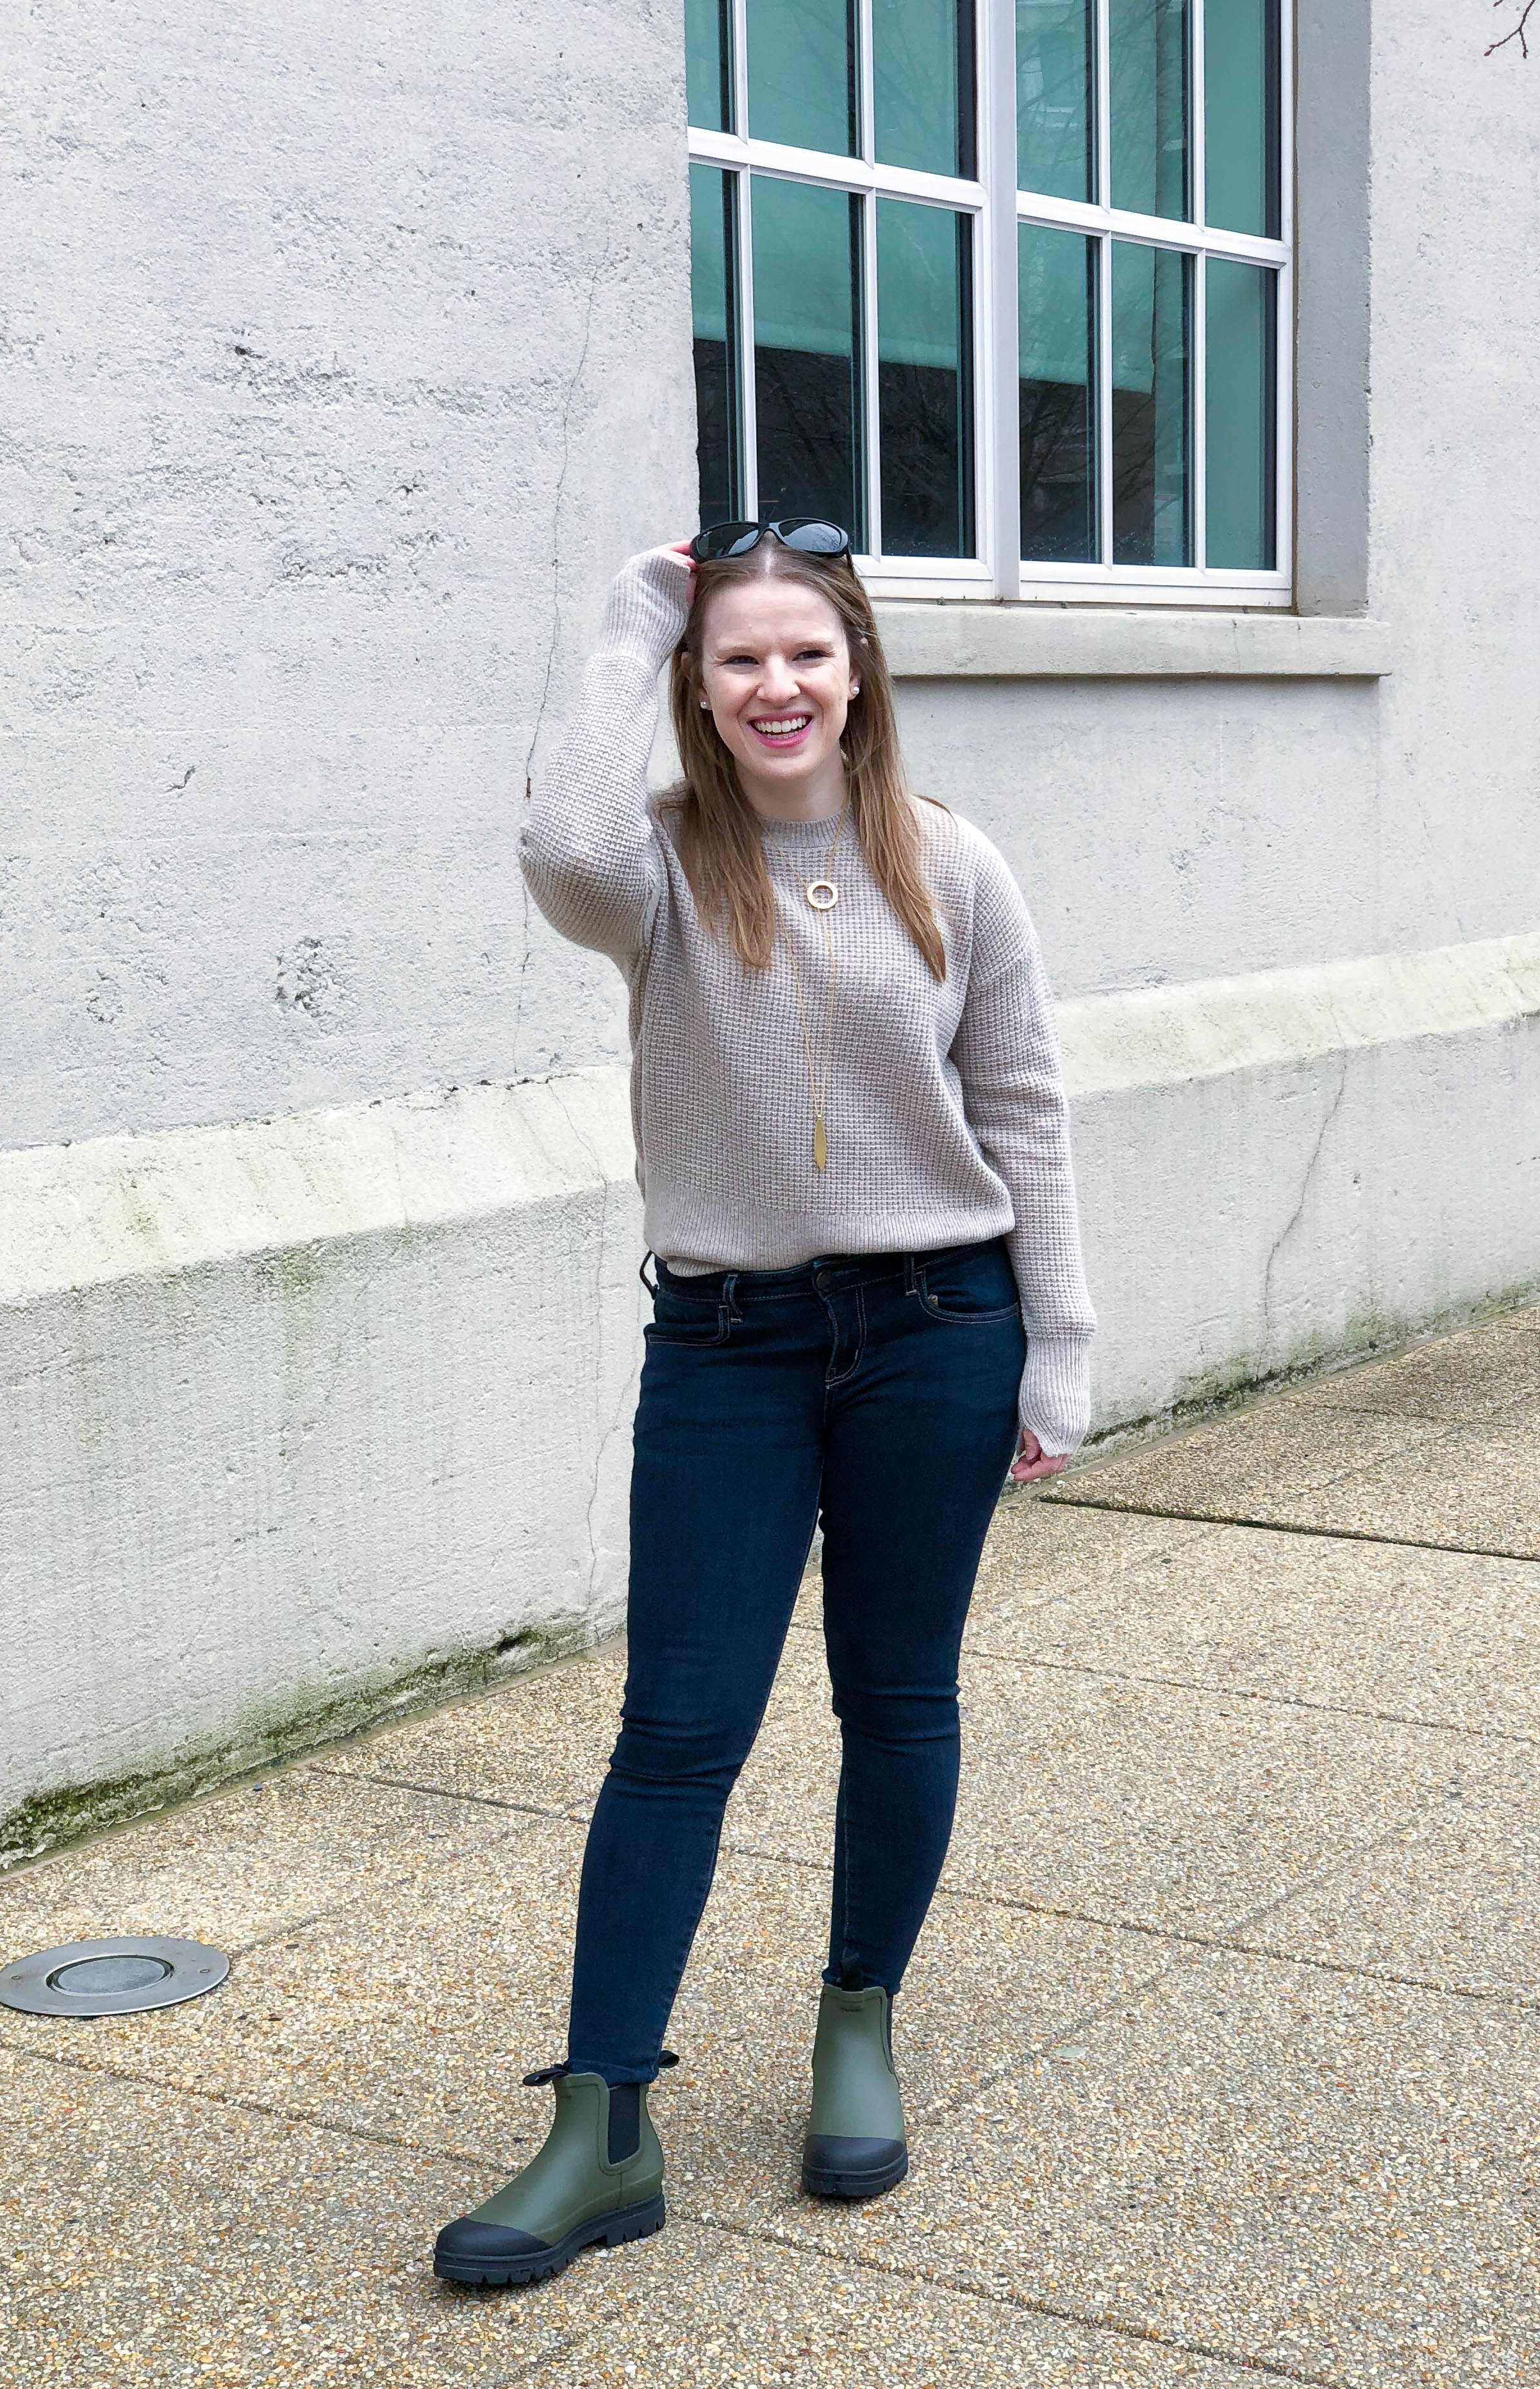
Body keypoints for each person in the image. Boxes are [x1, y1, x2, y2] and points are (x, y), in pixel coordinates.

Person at [434, 519, 1095, 2288]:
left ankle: (856, 2023)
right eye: (736, 660)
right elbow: (553, 835)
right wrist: (636, 605)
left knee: (896, 1698)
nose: (775, 685)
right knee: (677, 1729)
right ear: (698, 690)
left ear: (857, 667)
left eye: (805, 651)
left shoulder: (953, 865)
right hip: (727, 1347)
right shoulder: (649, 869)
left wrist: (1060, 1344)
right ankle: (600, 2120)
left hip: (940, 1326)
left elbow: (1021, 1109)